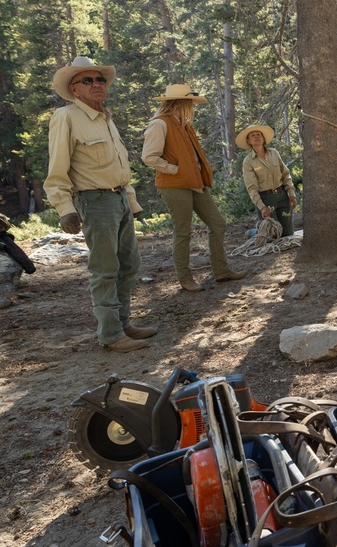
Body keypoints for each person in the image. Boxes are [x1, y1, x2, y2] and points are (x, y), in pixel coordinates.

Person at [44, 56, 157, 352]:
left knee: (130, 264)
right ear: (74, 89)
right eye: (88, 80)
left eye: (100, 80)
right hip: (94, 201)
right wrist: (65, 208)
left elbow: (120, 167)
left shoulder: (106, 117)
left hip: (118, 198)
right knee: (105, 268)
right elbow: (57, 169)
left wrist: (131, 201)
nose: (96, 85)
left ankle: (122, 323)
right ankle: (110, 334)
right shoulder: (66, 117)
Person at [141, 84, 247, 292]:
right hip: (174, 186)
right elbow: (149, 157)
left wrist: (191, 172)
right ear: (181, 103)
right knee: (183, 231)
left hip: (195, 183)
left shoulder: (185, 125)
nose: (192, 107)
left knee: (218, 223)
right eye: (190, 103)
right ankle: (185, 278)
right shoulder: (159, 124)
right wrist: (175, 170)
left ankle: (221, 270)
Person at [237, 124, 297, 236]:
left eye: (259, 135)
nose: (256, 137)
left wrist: (291, 194)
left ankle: (261, 231)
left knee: (288, 234)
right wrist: (262, 207)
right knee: (273, 236)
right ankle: (254, 233)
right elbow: (252, 188)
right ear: (248, 141)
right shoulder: (248, 161)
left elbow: (285, 174)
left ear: (264, 138)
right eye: (252, 135)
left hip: (282, 196)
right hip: (266, 199)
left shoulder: (274, 153)